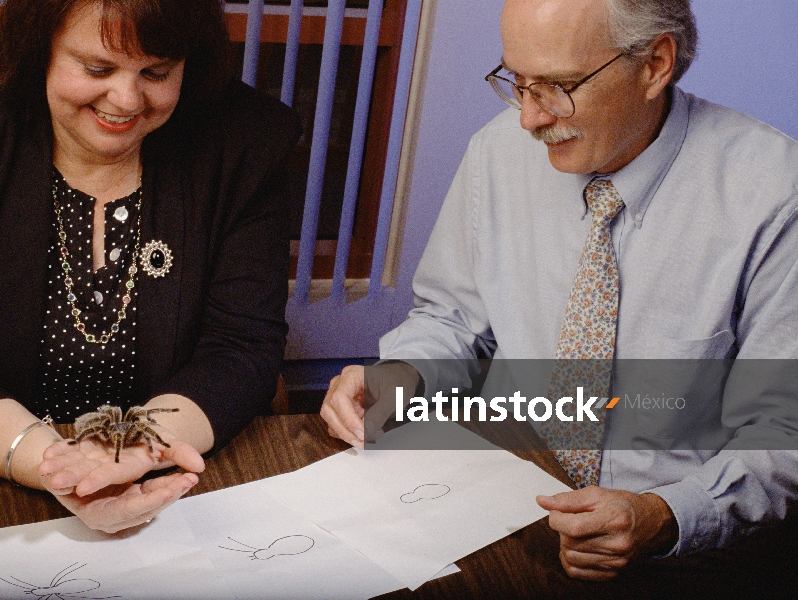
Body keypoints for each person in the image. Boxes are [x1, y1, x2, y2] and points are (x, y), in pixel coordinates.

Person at [321, 0, 798, 580]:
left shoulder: (776, 195)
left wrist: (663, 515)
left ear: (654, 64)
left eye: (559, 86)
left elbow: (781, 436)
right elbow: (450, 320)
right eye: (517, 83)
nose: (529, 119)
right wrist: (400, 377)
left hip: (684, 548)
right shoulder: (497, 152)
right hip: (496, 501)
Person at [0, 0, 301, 534]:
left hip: (173, 481)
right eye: (97, 69)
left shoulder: (247, 140)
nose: (126, 99)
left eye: (157, 72)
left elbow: (241, 347)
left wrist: (139, 444)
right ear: (40, 47)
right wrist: (53, 466)